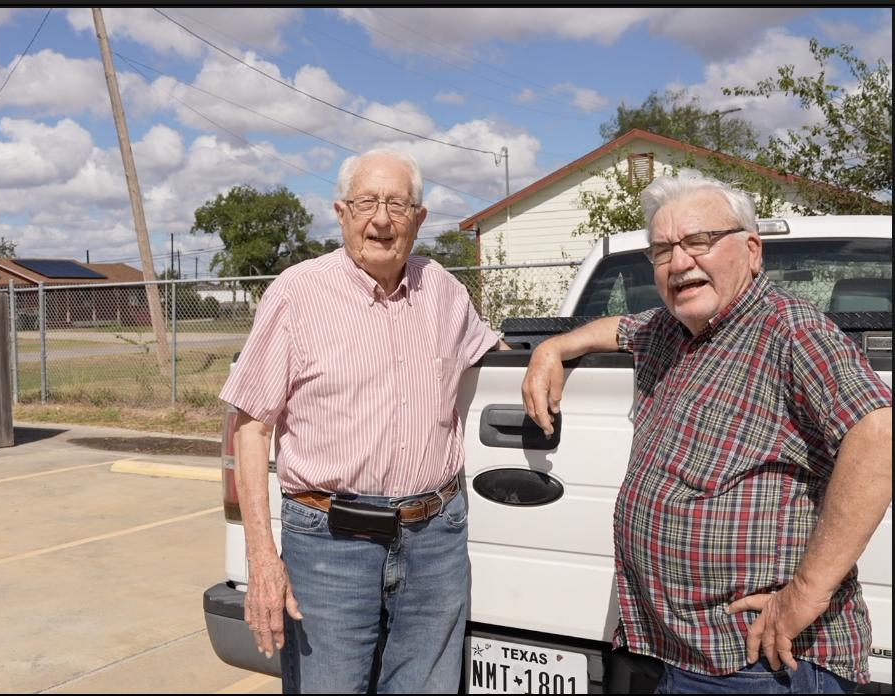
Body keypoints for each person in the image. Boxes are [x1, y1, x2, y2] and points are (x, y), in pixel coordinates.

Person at [521, 170, 892, 694]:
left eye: (699, 241)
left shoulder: (790, 331)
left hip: (757, 660)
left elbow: (880, 435)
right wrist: (551, 349)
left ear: (752, 250)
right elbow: (618, 326)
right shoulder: (672, 328)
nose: (678, 262)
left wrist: (806, 591)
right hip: (669, 648)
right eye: (663, 250)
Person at [221, 149, 508, 693]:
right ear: (341, 212)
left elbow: (495, 353)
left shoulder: (444, 291)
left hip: (435, 540)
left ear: (419, 219)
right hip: (328, 545)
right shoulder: (296, 294)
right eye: (367, 203)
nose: (381, 219)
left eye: (397, 204)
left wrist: (555, 353)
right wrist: (262, 559)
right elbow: (252, 427)